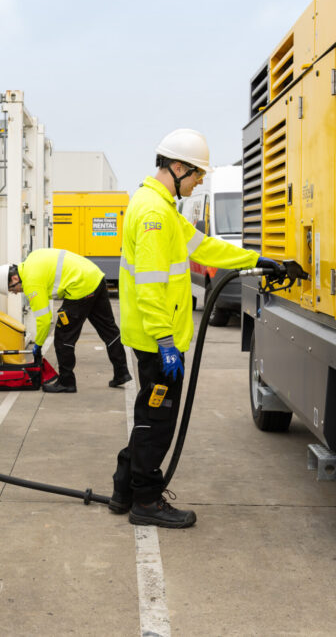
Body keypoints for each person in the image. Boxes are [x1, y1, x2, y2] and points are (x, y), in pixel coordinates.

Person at [110, 128, 284, 528]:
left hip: (156, 339)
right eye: (196, 174)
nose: (199, 181)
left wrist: (255, 258)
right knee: (157, 421)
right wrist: (167, 342)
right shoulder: (154, 215)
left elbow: (204, 247)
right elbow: (152, 286)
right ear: (176, 167)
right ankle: (146, 503)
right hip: (159, 344)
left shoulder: (161, 207)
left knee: (149, 416)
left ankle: (124, 487)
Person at [0, 248, 132, 393]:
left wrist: (38, 345)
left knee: (63, 336)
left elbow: (44, 320)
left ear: (14, 279)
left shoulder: (31, 282)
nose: (15, 292)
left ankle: (66, 382)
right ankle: (122, 372)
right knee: (108, 329)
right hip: (95, 277)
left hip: (80, 287)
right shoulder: (32, 259)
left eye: (13, 289)